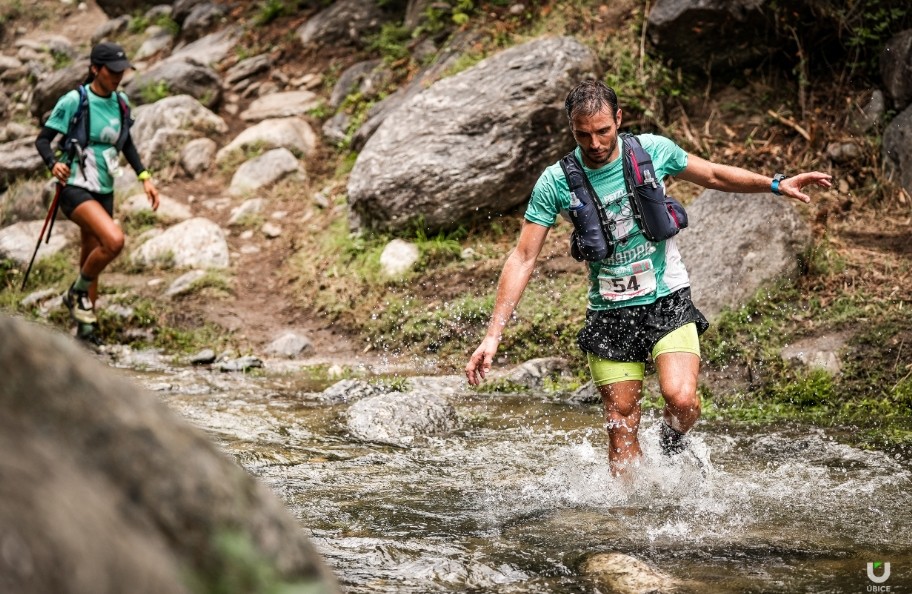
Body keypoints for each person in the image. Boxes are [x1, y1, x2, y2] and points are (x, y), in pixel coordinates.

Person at [465, 80, 831, 475]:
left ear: (618, 119)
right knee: (621, 425)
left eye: (604, 131)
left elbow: (712, 174)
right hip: (609, 313)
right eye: (583, 134)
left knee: (682, 399)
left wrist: (775, 184)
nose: (595, 143)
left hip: (666, 298)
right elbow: (523, 257)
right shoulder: (554, 181)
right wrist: (493, 335)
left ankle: (671, 442)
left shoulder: (652, 151)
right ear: (571, 128)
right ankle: (628, 521)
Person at [35, 42, 159, 344]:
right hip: (75, 185)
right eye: (112, 70)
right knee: (113, 240)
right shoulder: (74, 101)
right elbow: (43, 140)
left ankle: (86, 328)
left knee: (92, 254)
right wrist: (53, 164)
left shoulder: (120, 103)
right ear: (95, 69)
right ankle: (76, 292)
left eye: (122, 70)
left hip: (105, 185)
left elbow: (126, 143)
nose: (118, 76)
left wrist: (145, 176)